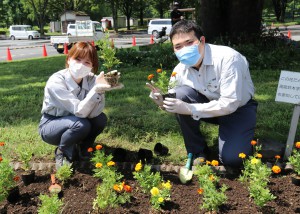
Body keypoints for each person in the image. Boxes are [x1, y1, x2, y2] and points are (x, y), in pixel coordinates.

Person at [147, 20, 258, 169]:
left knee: (233, 160)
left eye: (189, 42)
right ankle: (197, 151)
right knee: (179, 95)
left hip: (238, 109)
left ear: (202, 40)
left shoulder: (228, 59)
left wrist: (190, 109)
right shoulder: (179, 70)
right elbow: (176, 101)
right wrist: (162, 102)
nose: (184, 49)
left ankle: (243, 137)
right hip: (208, 107)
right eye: (178, 46)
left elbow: (230, 103)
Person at [38, 41, 116, 170]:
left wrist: (101, 90)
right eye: (77, 59)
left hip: (78, 120)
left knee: (100, 119)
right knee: (81, 124)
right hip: (52, 124)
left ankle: (85, 147)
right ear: (69, 59)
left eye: (87, 62)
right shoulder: (56, 81)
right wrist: (96, 90)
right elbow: (79, 111)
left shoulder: (91, 79)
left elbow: (94, 112)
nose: (81, 65)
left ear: (92, 66)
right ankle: (62, 151)